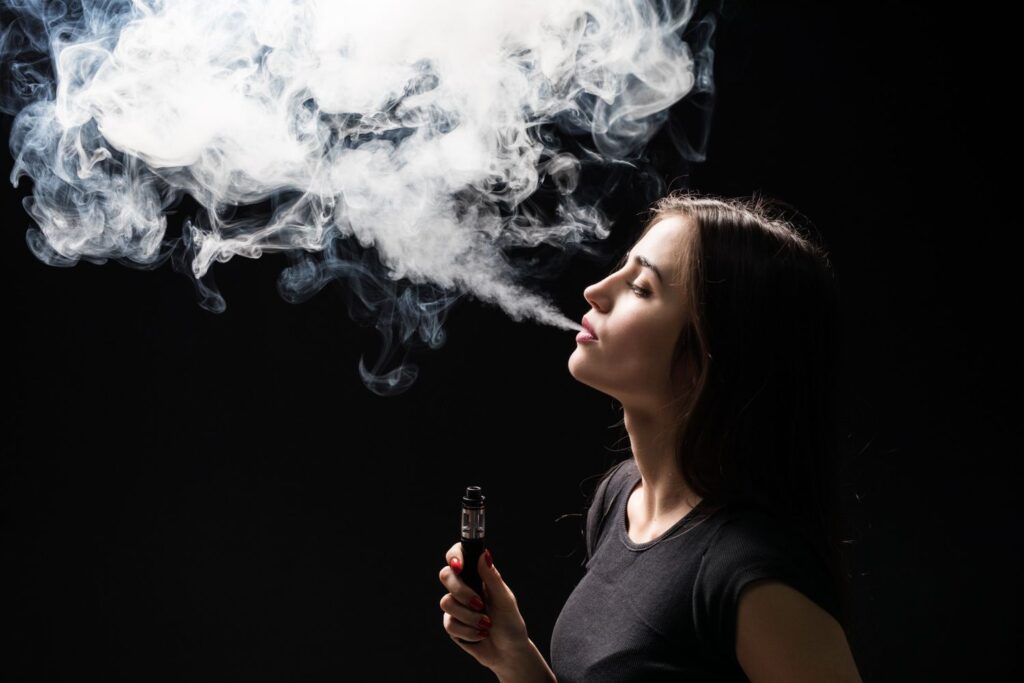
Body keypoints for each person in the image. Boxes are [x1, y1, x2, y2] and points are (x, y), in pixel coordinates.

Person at [437, 190, 864, 682]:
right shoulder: (622, 498)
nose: (595, 291)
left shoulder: (747, 573)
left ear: (709, 354)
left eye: (640, 287)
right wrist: (512, 655)